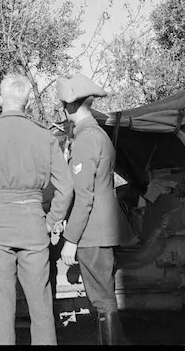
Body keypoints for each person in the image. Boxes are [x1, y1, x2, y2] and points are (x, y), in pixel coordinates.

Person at [0, 73, 74, 345]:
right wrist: (52, 220)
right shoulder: (43, 135)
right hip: (35, 225)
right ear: (25, 103)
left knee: (0, 310)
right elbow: (67, 187)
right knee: (41, 307)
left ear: (1, 99)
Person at [56, 72, 125, 345]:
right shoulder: (97, 135)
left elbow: (84, 197)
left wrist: (70, 240)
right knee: (104, 300)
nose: (62, 109)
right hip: (101, 230)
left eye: (63, 104)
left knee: (103, 301)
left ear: (70, 106)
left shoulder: (86, 139)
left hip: (92, 234)